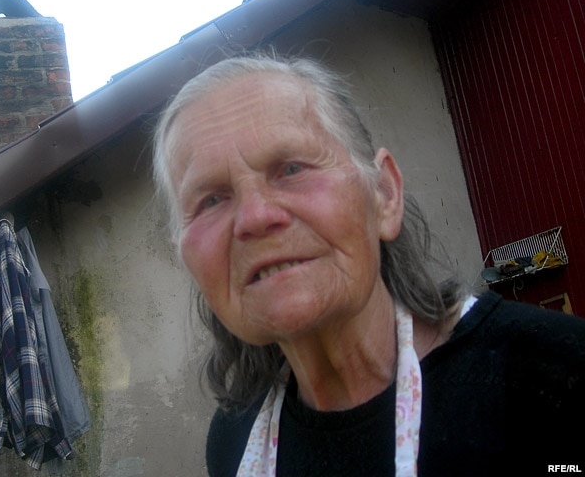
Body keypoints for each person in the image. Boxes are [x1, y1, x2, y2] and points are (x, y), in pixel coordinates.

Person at [152, 54, 585, 476]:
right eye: (211, 199)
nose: (254, 217)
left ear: (384, 195)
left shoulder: (557, 378)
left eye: (291, 169)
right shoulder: (233, 440)